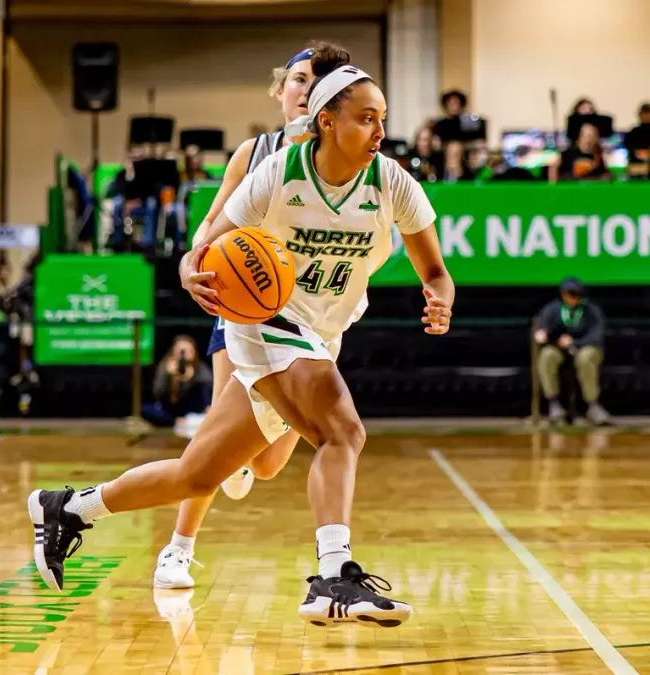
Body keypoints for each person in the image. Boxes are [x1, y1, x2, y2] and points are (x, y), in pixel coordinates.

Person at [26, 47, 454, 628]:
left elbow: (435, 270)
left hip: (322, 332)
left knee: (198, 474)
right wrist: (189, 266)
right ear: (328, 121)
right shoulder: (277, 171)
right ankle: (333, 575)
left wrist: (440, 296)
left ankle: (69, 508)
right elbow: (209, 242)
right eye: (367, 118)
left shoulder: (393, 183)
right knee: (342, 430)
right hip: (263, 320)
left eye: (383, 118)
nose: (380, 130)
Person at [152, 43, 323, 591]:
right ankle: (178, 550)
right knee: (213, 432)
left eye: (317, 80)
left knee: (268, 464)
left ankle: (241, 458)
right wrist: (191, 260)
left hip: (308, 319)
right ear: (280, 90)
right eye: (297, 78)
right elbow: (211, 224)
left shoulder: (342, 157)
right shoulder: (254, 153)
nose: (305, 88)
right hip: (245, 305)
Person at [533, 278, 610, 425]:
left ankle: (592, 405)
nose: (571, 298)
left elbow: (596, 336)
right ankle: (554, 404)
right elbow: (542, 328)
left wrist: (574, 343)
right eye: (568, 294)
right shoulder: (552, 309)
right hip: (559, 349)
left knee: (586, 357)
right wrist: (542, 333)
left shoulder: (592, 311)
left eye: (575, 294)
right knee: (547, 356)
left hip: (584, 347)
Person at [141, 336, 211, 430]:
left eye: (188, 350)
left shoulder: (200, 367)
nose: (185, 354)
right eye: (181, 351)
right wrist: (172, 379)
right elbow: (158, 394)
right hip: (170, 410)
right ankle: (176, 421)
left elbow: (207, 391)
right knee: (145, 409)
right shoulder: (166, 366)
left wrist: (190, 379)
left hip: (193, 410)